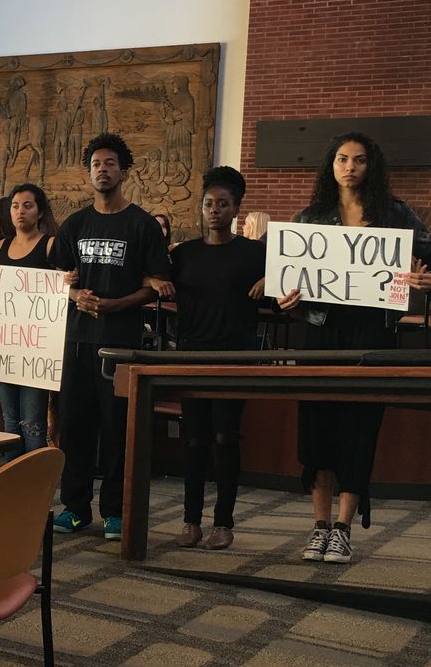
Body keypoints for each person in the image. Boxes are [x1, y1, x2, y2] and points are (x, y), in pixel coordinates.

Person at [277, 132, 431, 564]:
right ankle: (319, 526)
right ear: (331, 165)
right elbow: (289, 279)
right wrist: (286, 299)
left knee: (360, 427)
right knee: (317, 427)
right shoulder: (310, 218)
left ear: (371, 166)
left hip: (371, 333)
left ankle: (343, 529)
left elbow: (427, 258)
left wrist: (424, 279)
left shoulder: (396, 215)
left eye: (359, 160)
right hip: (318, 334)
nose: (350, 167)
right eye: (342, 159)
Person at [51, 133, 170, 538]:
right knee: (74, 427)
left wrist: (116, 304)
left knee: (117, 429)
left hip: (121, 344)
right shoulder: (75, 224)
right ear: (89, 173)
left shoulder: (142, 224)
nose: (102, 170)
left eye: (110, 163)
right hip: (77, 341)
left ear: (124, 171)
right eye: (96, 164)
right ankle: (75, 507)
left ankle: (116, 511)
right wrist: (75, 295)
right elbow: (56, 280)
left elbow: (155, 284)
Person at [149, 167, 266, 550]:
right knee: (195, 439)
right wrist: (154, 281)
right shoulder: (183, 254)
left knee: (225, 438)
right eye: (209, 204)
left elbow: (292, 277)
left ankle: (224, 524)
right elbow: (150, 276)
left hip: (235, 355)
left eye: (223, 204)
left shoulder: (254, 253)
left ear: (236, 209)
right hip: (192, 354)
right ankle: (191, 521)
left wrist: (271, 280)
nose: (215, 210)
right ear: (201, 209)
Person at [0, 183, 57, 459]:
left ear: (40, 212)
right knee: (10, 424)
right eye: (15, 206)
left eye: (28, 206)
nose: (20, 211)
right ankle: (13, 483)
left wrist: (68, 281)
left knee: (32, 425)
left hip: (36, 349)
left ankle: (36, 484)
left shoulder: (50, 245)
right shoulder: (0, 247)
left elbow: (61, 290)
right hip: (5, 346)